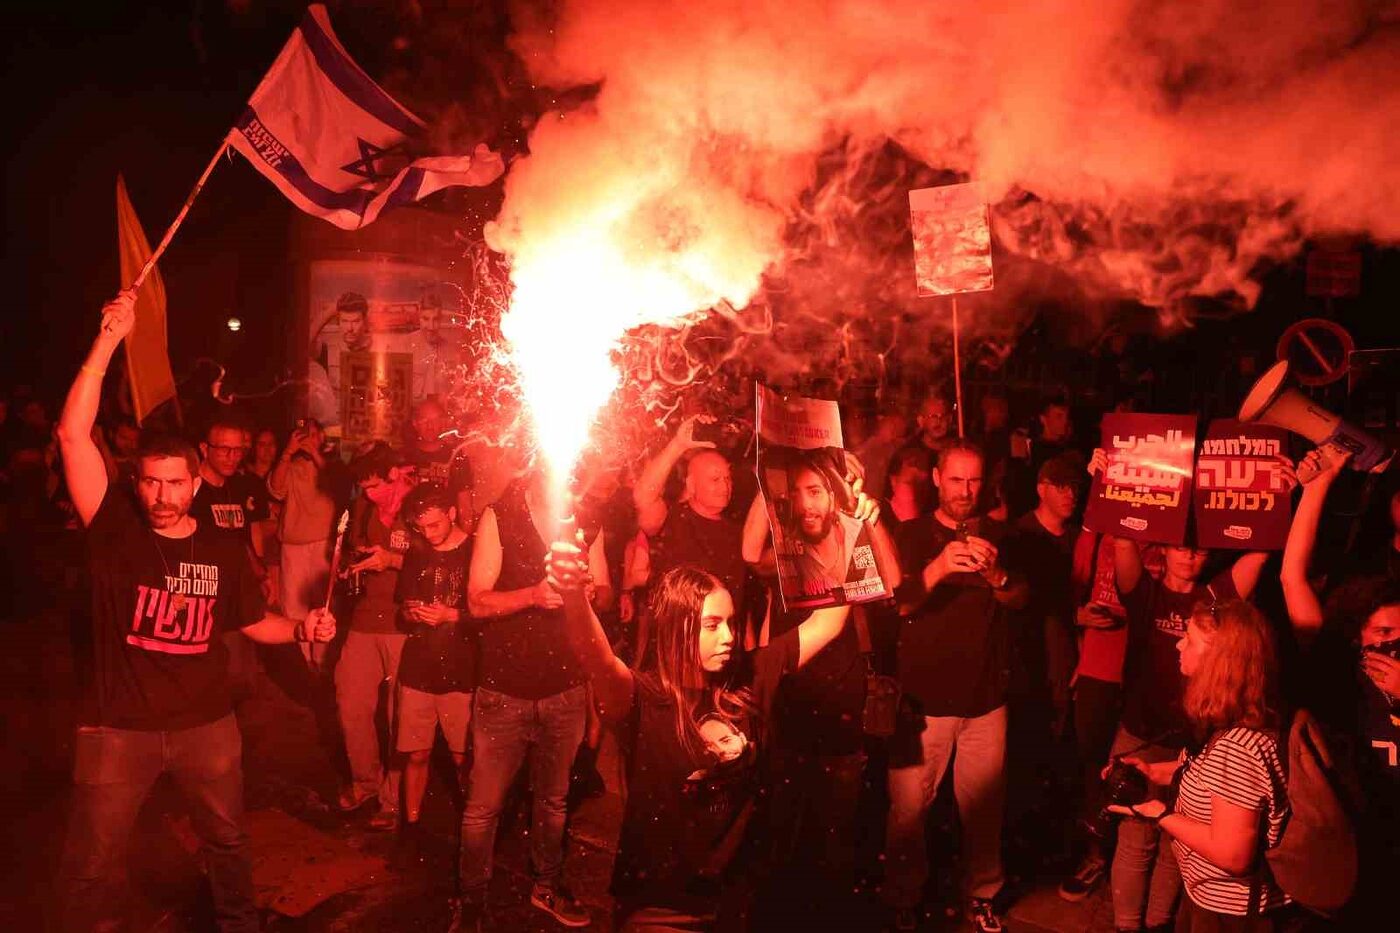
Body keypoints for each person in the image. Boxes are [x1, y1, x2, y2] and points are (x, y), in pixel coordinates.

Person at [54, 290, 336, 932]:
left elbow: (251, 623)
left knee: (230, 844)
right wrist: (109, 340)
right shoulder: (116, 528)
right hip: (117, 730)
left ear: (195, 483)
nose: (161, 494)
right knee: (92, 865)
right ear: (136, 481)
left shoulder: (221, 547)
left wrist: (300, 627)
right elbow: (72, 434)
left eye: (174, 483)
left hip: (206, 730)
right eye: (150, 481)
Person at [547, 511, 868, 929]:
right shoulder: (641, 699)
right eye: (712, 625)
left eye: (731, 623)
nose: (730, 637)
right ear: (678, 629)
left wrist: (847, 529)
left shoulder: (749, 677)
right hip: (661, 908)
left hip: (738, 902)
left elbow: (828, 619)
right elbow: (596, 656)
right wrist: (573, 595)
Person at [1088, 447, 1273, 933]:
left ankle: (1155, 925)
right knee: (1134, 838)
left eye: (1199, 548)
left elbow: (1263, 545)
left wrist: (1274, 491)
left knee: (1181, 844)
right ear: (1164, 549)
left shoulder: (1215, 601)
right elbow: (1122, 540)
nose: (1191, 555)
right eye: (1181, 546)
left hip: (1195, 738)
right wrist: (1112, 483)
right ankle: (1130, 927)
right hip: (1141, 731)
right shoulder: (1146, 591)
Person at [455, 466, 609, 929]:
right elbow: (477, 601)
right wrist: (533, 596)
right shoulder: (500, 515)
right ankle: (472, 902)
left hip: (565, 688)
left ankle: (547, 885)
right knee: (483, 809)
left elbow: (603, 592)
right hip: (504, 690)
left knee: (554, 801)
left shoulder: (586, 519)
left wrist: (588, 593)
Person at [885, 442, 1029, 933]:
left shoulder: (1001, 534)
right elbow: (898, 606)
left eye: (973, 481)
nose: (965, 491)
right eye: (955, 480)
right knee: (908, 815)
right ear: (935, 477)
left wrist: (997, 573)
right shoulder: (907, 535)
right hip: (921, 706)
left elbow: (1020, 599)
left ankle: (982, 896)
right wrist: (940, 567)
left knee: (984, 813)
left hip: (986, 703)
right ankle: (904, 899)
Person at [1107, 600, 1291, 931]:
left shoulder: (1237, 748)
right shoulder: (1225, 719)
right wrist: (1152, 772)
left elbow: (1233, 855)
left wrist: (1157, 813)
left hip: (1231, 910)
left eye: (1189, 639)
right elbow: (1207, 781)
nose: (1178, 643)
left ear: (1218, 661)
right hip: (1206, 894)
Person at [335, 444, 415, 828]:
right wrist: (358, 561)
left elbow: (439, 561)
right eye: (364, 488)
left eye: (376, 487)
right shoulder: (365, 508)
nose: (369, 495)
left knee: (399, 714)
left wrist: (393, 559)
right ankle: (366, 781)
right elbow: (356, 550)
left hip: (404, 624)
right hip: (365, 619)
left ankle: (392, 798)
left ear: (396, 475)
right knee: (350, 701)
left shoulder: (420, 509)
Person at [395, 483, 477, 830]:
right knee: (416, 753)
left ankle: (474, 825)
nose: (427, 534)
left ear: (452, 514)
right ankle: (411, 826)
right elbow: (402, 607)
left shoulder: (476, 552)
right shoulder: (417, 551)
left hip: (461, 670)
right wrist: (412, 613)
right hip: (418, 668)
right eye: (420, 527)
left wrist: (451, 615)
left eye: (434, 525)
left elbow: (489, 613)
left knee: (463, 756)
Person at [634, 413, 747, 664]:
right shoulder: (672, 519)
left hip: (721, 655)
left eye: (728, 478)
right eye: (715, 479)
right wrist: (678, 445)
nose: (725, 485)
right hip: (674, 655)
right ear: (691, 485)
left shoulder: (738, 531)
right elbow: (643, 497)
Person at [268, 418, 338, 668]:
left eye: (312, 434)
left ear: (321, 436)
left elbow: (338, 485)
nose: (307, 439)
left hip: (322, 542)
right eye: (302, 434)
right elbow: (276, 489)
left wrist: (314, 453)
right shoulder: (291, 465)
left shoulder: (331, 464)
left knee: (323, 605)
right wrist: (288, 453)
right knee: (294, 605)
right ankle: (302, 663)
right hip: (293, 543)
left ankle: (321, 662)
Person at [406, 397, 476, 534]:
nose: (430, 426)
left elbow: (465, 506)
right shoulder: (404, 457)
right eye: (424, 420)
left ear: (443, 423)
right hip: (412, 533)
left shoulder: (456, 457)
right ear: (415, 423)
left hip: (446, 535)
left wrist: (465, 543)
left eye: (436, 420)